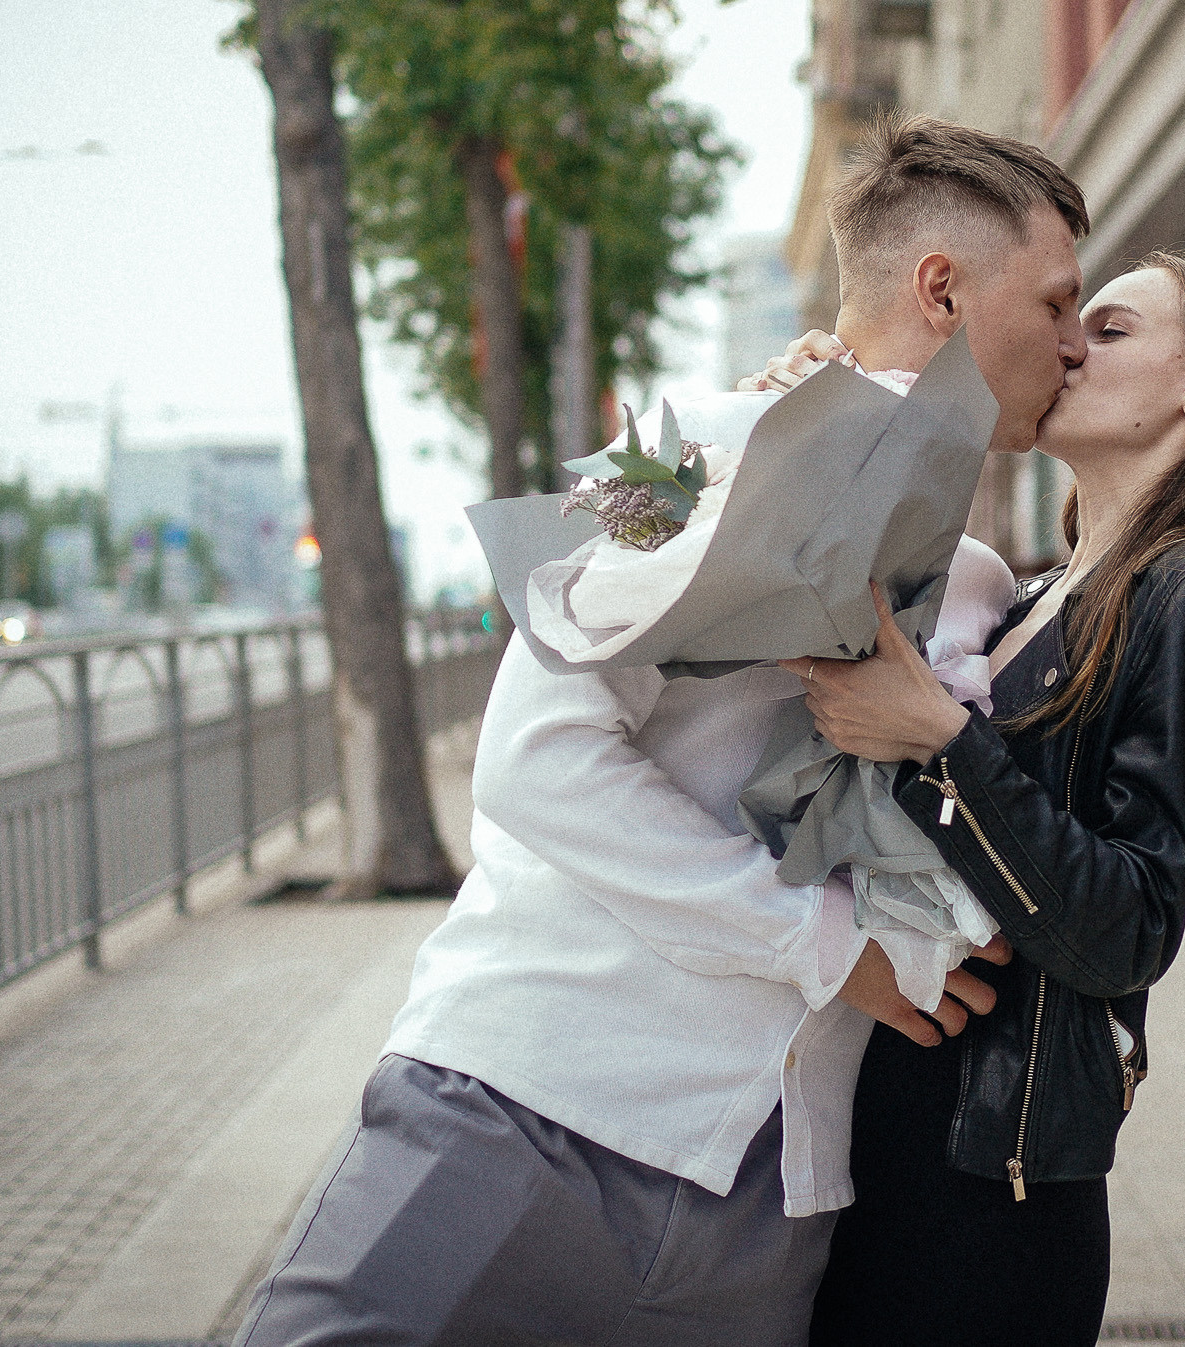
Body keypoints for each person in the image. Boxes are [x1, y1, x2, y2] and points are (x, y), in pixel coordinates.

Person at [231, 116, 1089, 1347]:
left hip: (774, 1201)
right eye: (1056, 301)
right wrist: (822, 941)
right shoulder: (671, 456)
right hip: (523, 1104)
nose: (1074, 340)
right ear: (941, 290)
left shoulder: (980, 586)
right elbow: (530, 760)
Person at [790, 250, 1185, 1347]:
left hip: (988, 1185)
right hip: (890, 1126)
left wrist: (942, 741)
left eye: (1113, 329)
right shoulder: (1032, 592)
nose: (1072, 345)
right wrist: (817, 414)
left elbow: (1130, 926)